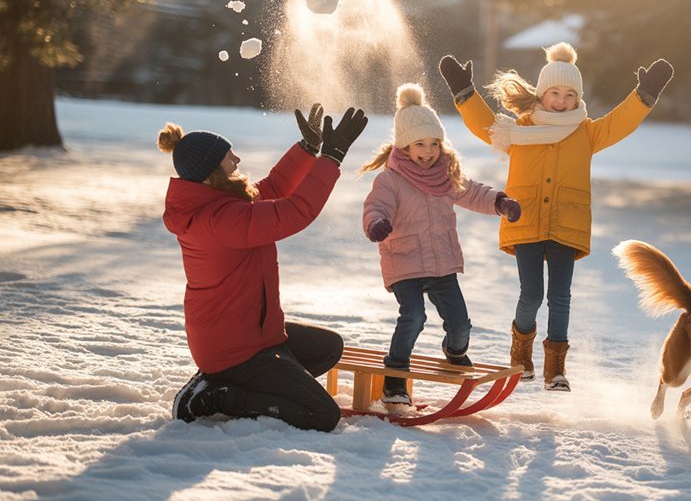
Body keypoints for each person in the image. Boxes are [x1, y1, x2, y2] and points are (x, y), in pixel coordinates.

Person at [439, 42, 673, 391]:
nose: (561, 100)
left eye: (569, 94)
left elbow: (620, 123)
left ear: (577, 98)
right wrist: (464, 92)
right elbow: (483, 124)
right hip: (527, 220)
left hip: (568, 222)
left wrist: (645, 95)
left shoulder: (587, 132)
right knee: (531, 295)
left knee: (561, 296)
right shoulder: (518, 129)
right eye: (554, 93)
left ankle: (556, 369)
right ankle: (520, 351)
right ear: (541, 93)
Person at [158, 103, 367, 431]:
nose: (237, 160)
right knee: (323, 415)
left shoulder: (220, 203)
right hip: (236, 350)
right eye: (229, 156)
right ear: (213, 170)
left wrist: (308, 150)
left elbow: (272, 189)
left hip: (254, 335)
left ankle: (220, 380)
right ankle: (223, 396)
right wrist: (333, 157)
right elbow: (295, 211)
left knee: (329, 348)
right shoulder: (221, 220)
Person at [359, 83, 521, 405]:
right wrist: (376, 224)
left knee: (460, 323)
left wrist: (500, 202)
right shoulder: (391, 180)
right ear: (404, 146)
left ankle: (454, 351)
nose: (429, 151)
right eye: (420, 144)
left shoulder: (446, 173)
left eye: (434, 143)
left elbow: (473, 192)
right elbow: (375, 207)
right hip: (405, 262)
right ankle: (395, 378)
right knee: (414, 316)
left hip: (441, 262)